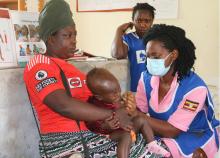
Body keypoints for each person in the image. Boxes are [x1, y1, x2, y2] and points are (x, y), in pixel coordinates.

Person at [23, 0, 166, 157]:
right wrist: (110, 114)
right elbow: (64, 106)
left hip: (92, 135)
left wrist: (123, 105)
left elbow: (97, 101)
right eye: (67, 35)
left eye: (75, 34)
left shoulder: (71, 68)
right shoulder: (39, 65)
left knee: (153, 147)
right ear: (51, 38)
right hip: (64, 141)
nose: (74, 40)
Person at [136, 24, 220, 158]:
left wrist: (138, 117)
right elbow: (139, 111)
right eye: (148, 56)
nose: (150, 61)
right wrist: (129, 106)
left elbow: (173, 131)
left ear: (173, 55)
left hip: (192, 135)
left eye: (156, 57)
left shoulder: (194, 88)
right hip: (158, 132)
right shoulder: (146, 78)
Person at [85, 68, 170, 158]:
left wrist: (131, 107)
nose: (118, 94)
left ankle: (152, 144)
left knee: (141, 120)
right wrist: (105, 126)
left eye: (118, 89)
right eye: (113, 93)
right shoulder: (94, 106)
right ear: (99, 97)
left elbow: (133, 114)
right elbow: (91, 125)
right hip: (111, 135)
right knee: (126, 135)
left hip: (128, 129)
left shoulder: (119, 99)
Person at [111, 3, 155, 92]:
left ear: (152, 21)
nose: (143, 25)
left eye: (147, 21)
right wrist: (119, 30)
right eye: (139, 20)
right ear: (133, 21)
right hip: (136, 87)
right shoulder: (128, 38)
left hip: (155, 87)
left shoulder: (157, 39)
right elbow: (117, 54)